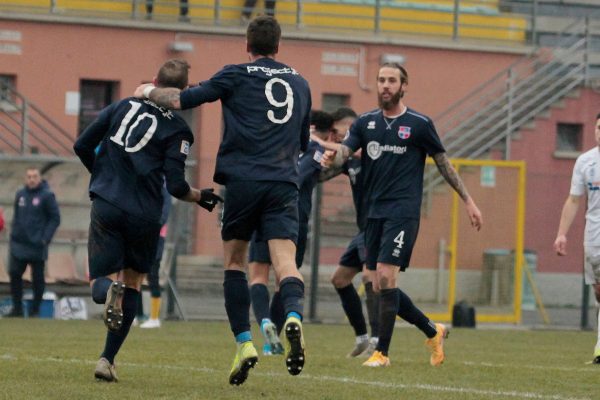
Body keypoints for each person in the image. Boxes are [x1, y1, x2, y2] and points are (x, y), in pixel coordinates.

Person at [134, 16, 311, 385]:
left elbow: (184, 99)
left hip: (243, 181)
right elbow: (304, 143)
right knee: (285, 261)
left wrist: (146, 92)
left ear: (247, 44)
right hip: (283, 181)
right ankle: (292, 315)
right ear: (278, 45)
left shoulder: (235, 74)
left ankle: (244, 342)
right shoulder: (300, 82)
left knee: (234, 261)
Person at [322, 63, 483, 368]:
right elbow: (346, 151)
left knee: (384, 275)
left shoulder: (420, 123)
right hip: (372, 214)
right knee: (382, 285)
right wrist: (333, 156)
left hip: (403, 212)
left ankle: (381, 353)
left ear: (403, 86)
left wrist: (469, 200)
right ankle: (432, 330)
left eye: (391, 80)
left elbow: (444, 164)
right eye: (381, 80)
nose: (385, 85)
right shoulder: (365, 123)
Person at [74, 59, 222, 382]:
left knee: (101, 280)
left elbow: (81, 144)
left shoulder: (121, 106)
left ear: (154, 81)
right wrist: (200, 196)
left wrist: (101, 175)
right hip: (145, 212)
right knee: (133, 284)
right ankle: (106, 358)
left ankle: (106, 289)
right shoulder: (180, 130)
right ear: (182, 92)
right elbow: (177, 185)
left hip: (107, 202)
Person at [247, 110, 334, 354]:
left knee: (257, 276)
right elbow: (300, 174)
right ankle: (279, 330)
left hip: (262, 209)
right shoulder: (314, 149)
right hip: (291, 218)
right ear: (324, 130)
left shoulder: (277, 140)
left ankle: (265, 322)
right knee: (285, 277)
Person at [316, 107, 381, 358]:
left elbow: (368, 152)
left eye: (337, 130)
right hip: (364, 229)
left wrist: (326, 143)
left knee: (371, 278)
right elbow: (322, 174)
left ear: (351, 127)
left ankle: (377, 339)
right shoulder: (349, 158)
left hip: (380, 225)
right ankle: (363, 337)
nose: (335, 134)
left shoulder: (372, 150)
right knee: (340, 280)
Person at [554, 113, 600, 364]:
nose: (599, 132)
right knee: (598, 291)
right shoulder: (585, 161)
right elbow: (573, 200)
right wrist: (562, 233)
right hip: (593, 237)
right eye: (598, 127)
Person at [6, 167, 60, 318]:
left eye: (34, 176)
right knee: (14, 273)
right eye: (29, 176)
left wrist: (45, 238)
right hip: (19, 244)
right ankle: (17, 309)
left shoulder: (47, 195)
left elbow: (55, 218)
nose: (31, 179)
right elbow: (16, 216)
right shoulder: (20, 194)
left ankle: (35, 310)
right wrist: (14, 233)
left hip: (37, 244)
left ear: (39, 178)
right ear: (25, 178)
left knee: (37, 279)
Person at [140, 185, 172, 329]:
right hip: (141, 234)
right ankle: (137, 315)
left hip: (157, 236)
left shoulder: (163, 188)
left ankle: (154, 317)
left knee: (153, 274)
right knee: (134, 274)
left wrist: (153, 225)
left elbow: (164, 213)